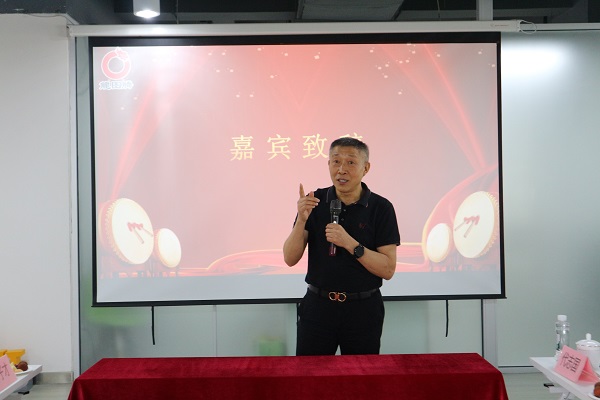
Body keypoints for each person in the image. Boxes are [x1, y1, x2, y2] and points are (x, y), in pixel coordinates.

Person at [283, 137, 400, 356]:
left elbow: (388, 269)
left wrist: (350, 243)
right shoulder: (314, 201)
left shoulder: (381, 208)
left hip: (363, 309)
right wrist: (301, 220)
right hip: (318, 307)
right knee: (310, 373)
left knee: (361, 374)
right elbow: (289, 258)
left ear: (366, 168)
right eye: (336, 161)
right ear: (328, 164)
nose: (341, 169)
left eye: (351, 162)